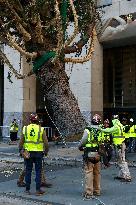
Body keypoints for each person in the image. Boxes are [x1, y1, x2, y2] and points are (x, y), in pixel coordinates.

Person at [19, 113, 49, 195]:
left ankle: (27, 190)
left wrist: (20, 150)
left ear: (30, 120)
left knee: (28, 170)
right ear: (37, 120)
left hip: (28, 153)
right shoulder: (41, 129)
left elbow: (21, 141)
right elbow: (46, 143)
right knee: (38, 171)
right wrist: (46, 151)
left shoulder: (25, 129)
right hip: (39, 153)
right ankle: (37, 190)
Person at [78, 114, 103, 199]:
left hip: (89, 154)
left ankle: (89, 192)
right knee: (97, 173)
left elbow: (83, 141)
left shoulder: (88, 130)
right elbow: (102, 142)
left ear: (92, 121)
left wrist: (80, 147)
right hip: (98, 154)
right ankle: (97, 191)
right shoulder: (101, 130)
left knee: (89, 172)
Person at [101, 115, 131, 182]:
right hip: (121, 144)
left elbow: (108, 131)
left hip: (119, 145)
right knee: (120, 160)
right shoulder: (120, 125)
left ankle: (127, 176)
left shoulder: (116, 126)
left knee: (122, 161)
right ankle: (121, 175)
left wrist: (100, 129)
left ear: (113, 120)